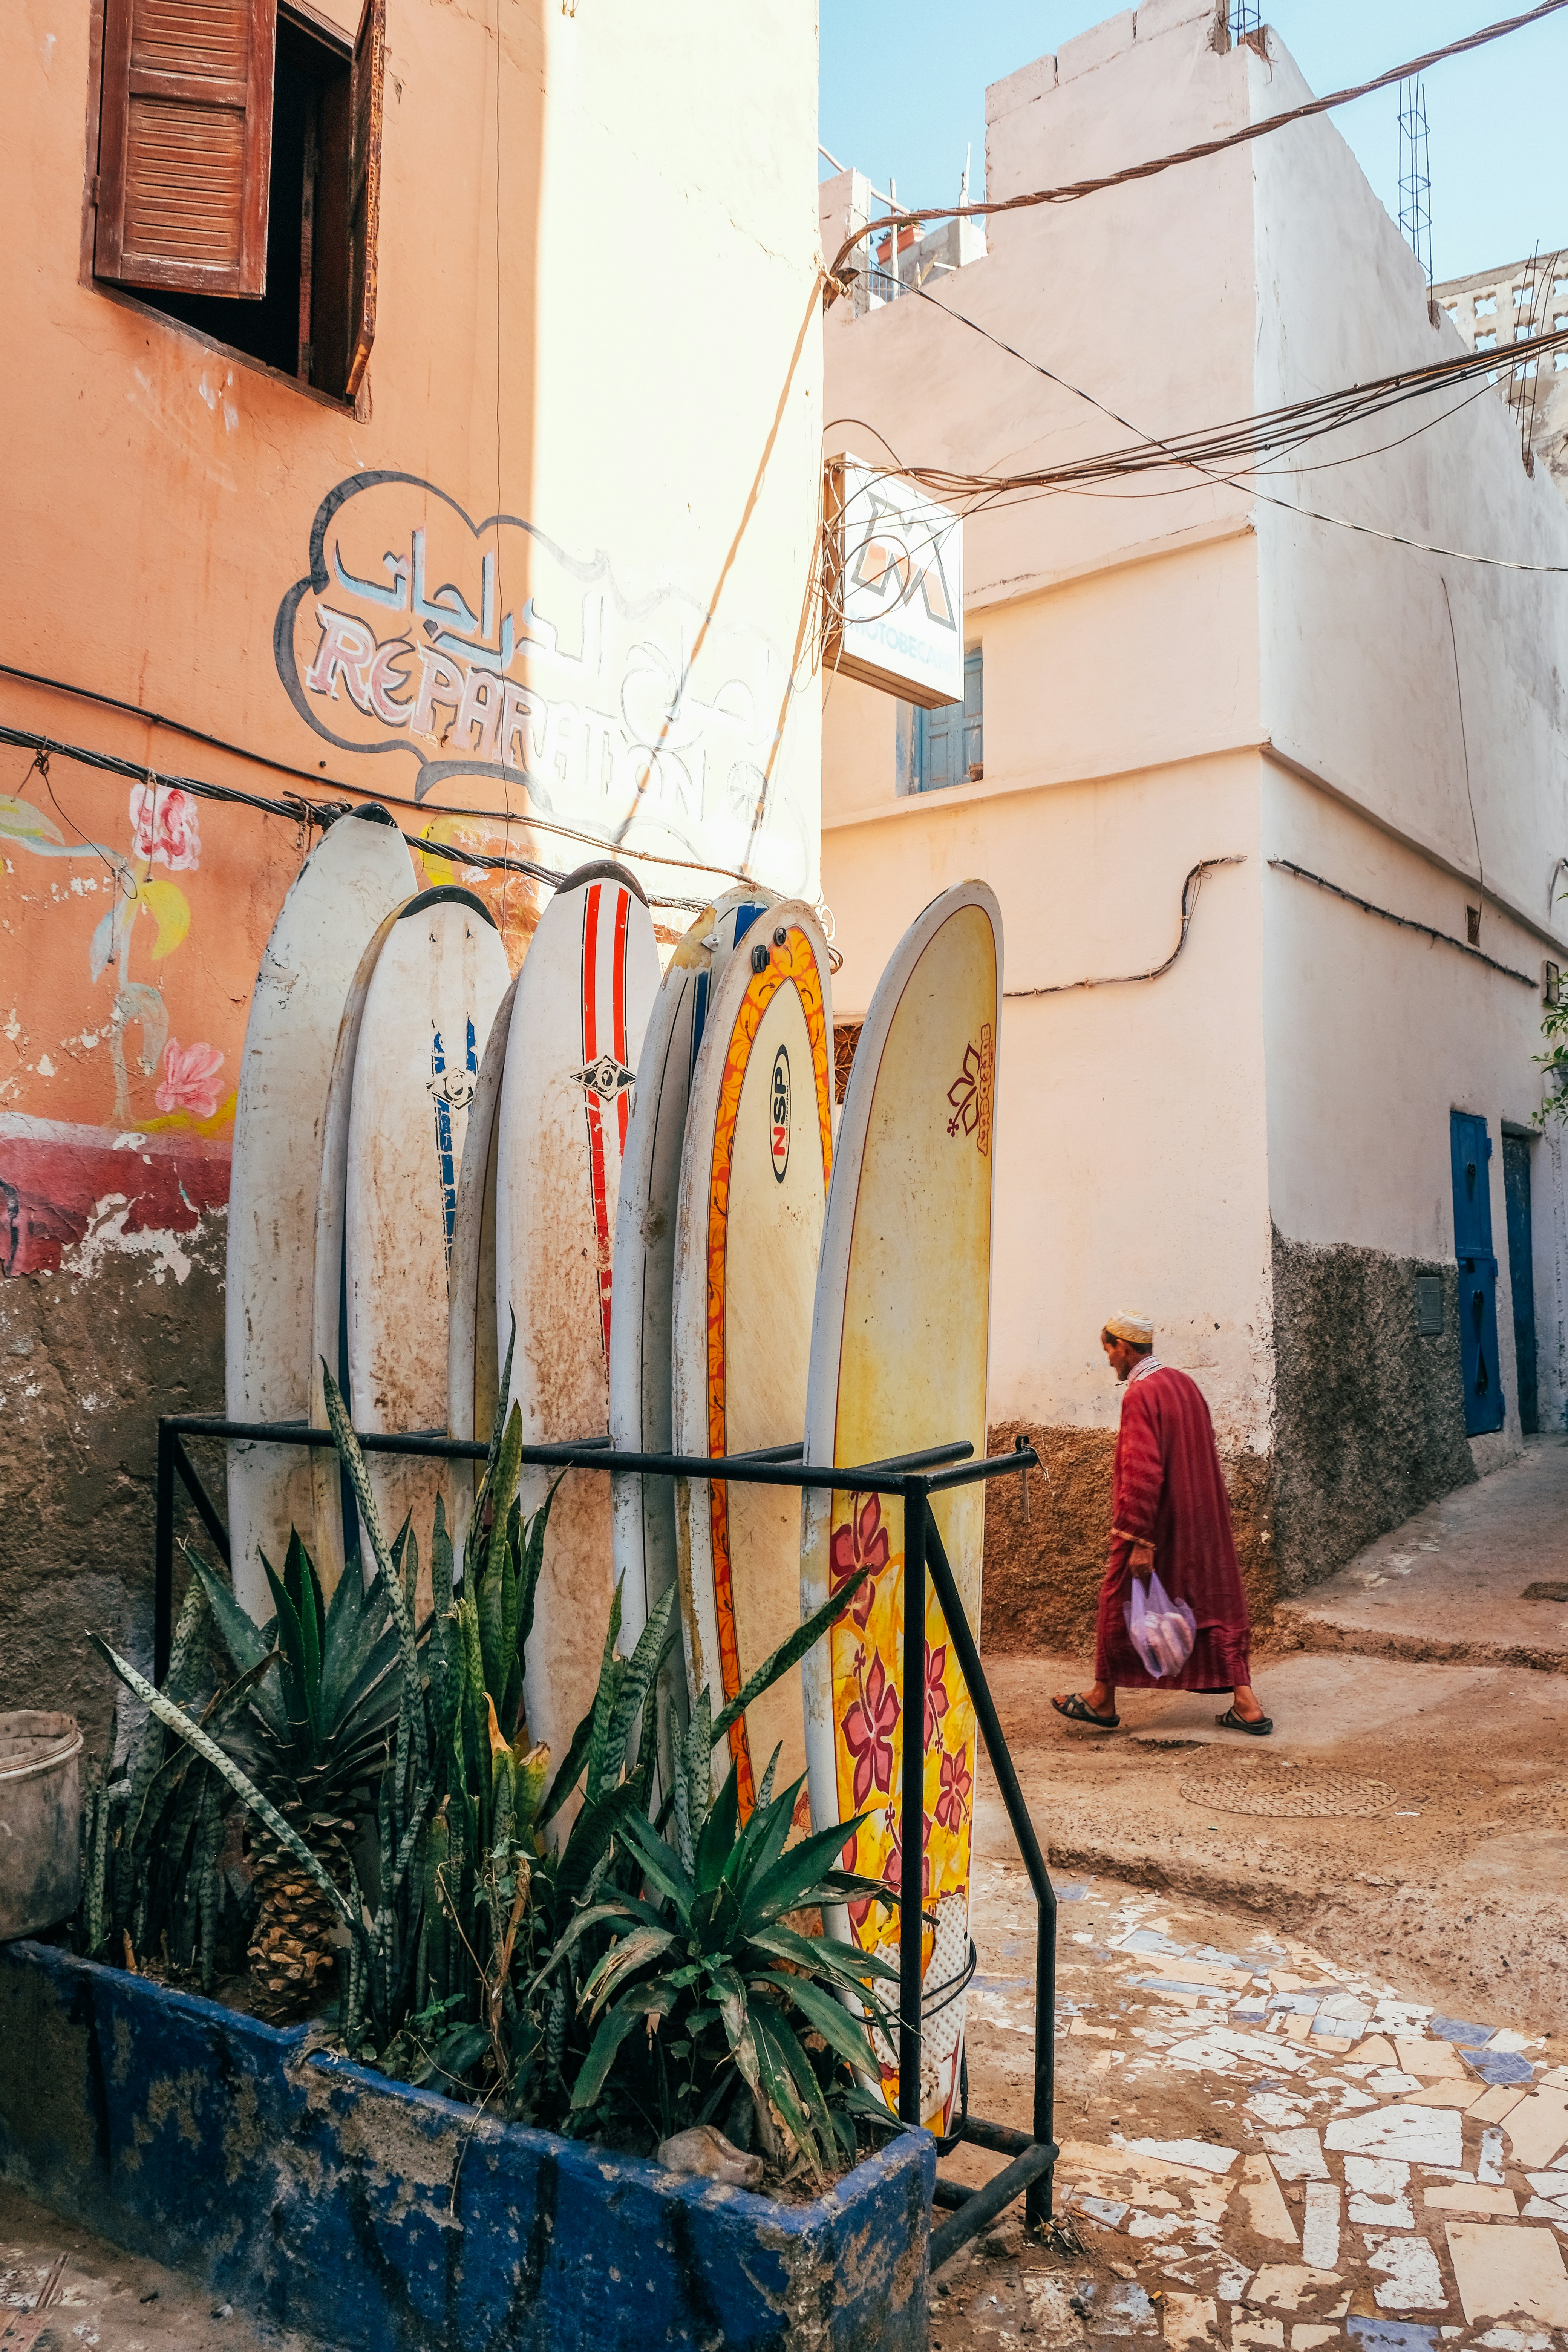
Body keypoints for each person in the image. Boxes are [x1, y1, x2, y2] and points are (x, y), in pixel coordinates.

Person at [1051, 1311, 1271, 1735]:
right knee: (1212, 1604)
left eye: (1110, 1350)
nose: (1110, 1361)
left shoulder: (1140, 1394)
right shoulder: (1183, 1384)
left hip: (1156, 1524)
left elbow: (1141, 1470)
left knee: (1119, 1600)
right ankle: (1246, 1705)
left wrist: (1138, 1537)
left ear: (1125, 1347)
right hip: (1200, 1523)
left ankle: (1101, 1699)